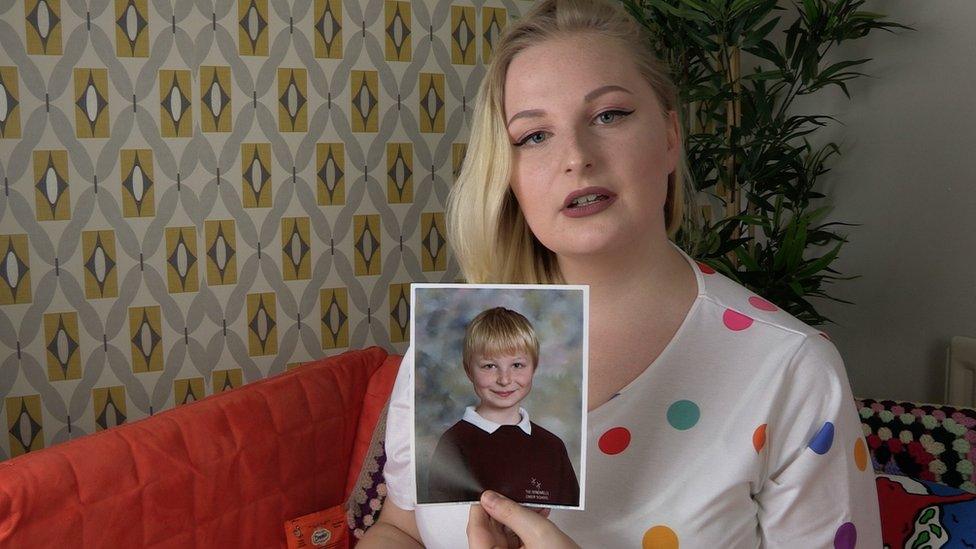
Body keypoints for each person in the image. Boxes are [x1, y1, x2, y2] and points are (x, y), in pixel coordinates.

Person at [359, 0, 882, 546]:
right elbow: (400, 529)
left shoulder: (793, 369)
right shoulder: (452, 343)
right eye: (534, 136)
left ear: (671, 137)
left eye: (609, 115)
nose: (576, 156)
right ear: (506, 175)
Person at [424, 307, 580, 507]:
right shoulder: (454, 444)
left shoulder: (552, 446)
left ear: (535, 367)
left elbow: (569, 519)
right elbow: (444, 520)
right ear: (468, 370)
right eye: (489, 366)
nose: (505, 380)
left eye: (517, 365)